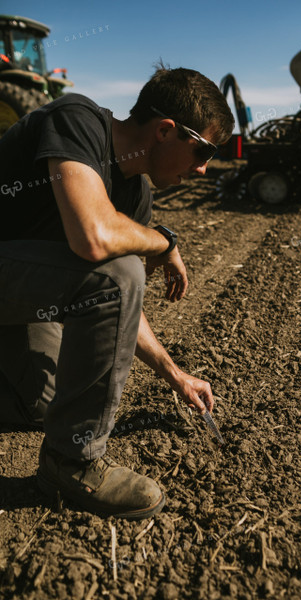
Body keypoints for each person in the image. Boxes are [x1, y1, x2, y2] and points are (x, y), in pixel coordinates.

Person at [0, 65, 234, 520]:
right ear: (166, 130)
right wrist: (165, 241)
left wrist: (175, 374)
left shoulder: (135, 196)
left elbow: (122, 302)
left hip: (15, 293)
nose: (203, 168)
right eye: (203, 150)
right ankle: (72, 462)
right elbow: (95, 238)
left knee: (45, 404)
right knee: (120, 271)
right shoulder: (77, 120)